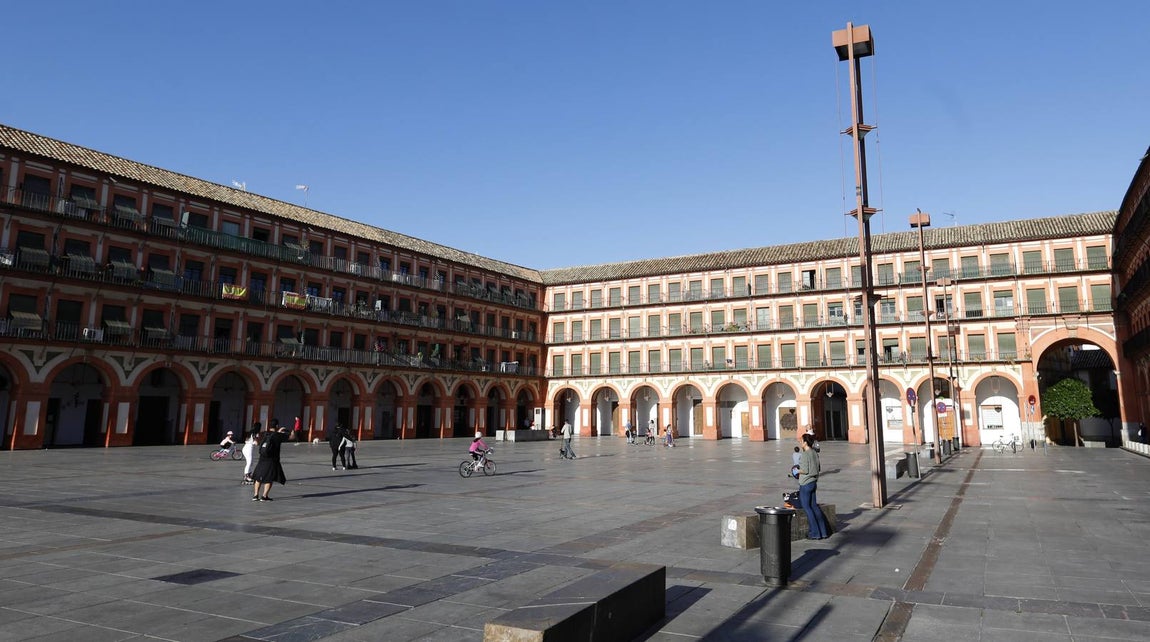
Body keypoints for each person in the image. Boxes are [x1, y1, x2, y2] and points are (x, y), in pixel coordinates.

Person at [797, 433, 830, 540]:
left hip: (805, 484)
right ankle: (823, 532)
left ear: (805, 442)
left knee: (807, 508)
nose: (800, 442)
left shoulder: (805, 455)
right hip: (813, 482)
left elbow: (805, 470)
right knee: (814, 506)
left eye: (801, 440)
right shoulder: (814, 453)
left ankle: (815, 533)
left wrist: (796, 470)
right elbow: (818, 467)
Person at [251, 426, 288, 501]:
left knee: (258, 477)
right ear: (277, 426)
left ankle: (255, 495)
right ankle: (264, 496)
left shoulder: (264, 433)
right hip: (272, 460)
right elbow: (291, 437)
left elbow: (257, 442)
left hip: (262, 459)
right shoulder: (277, 435)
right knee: (269, 478)